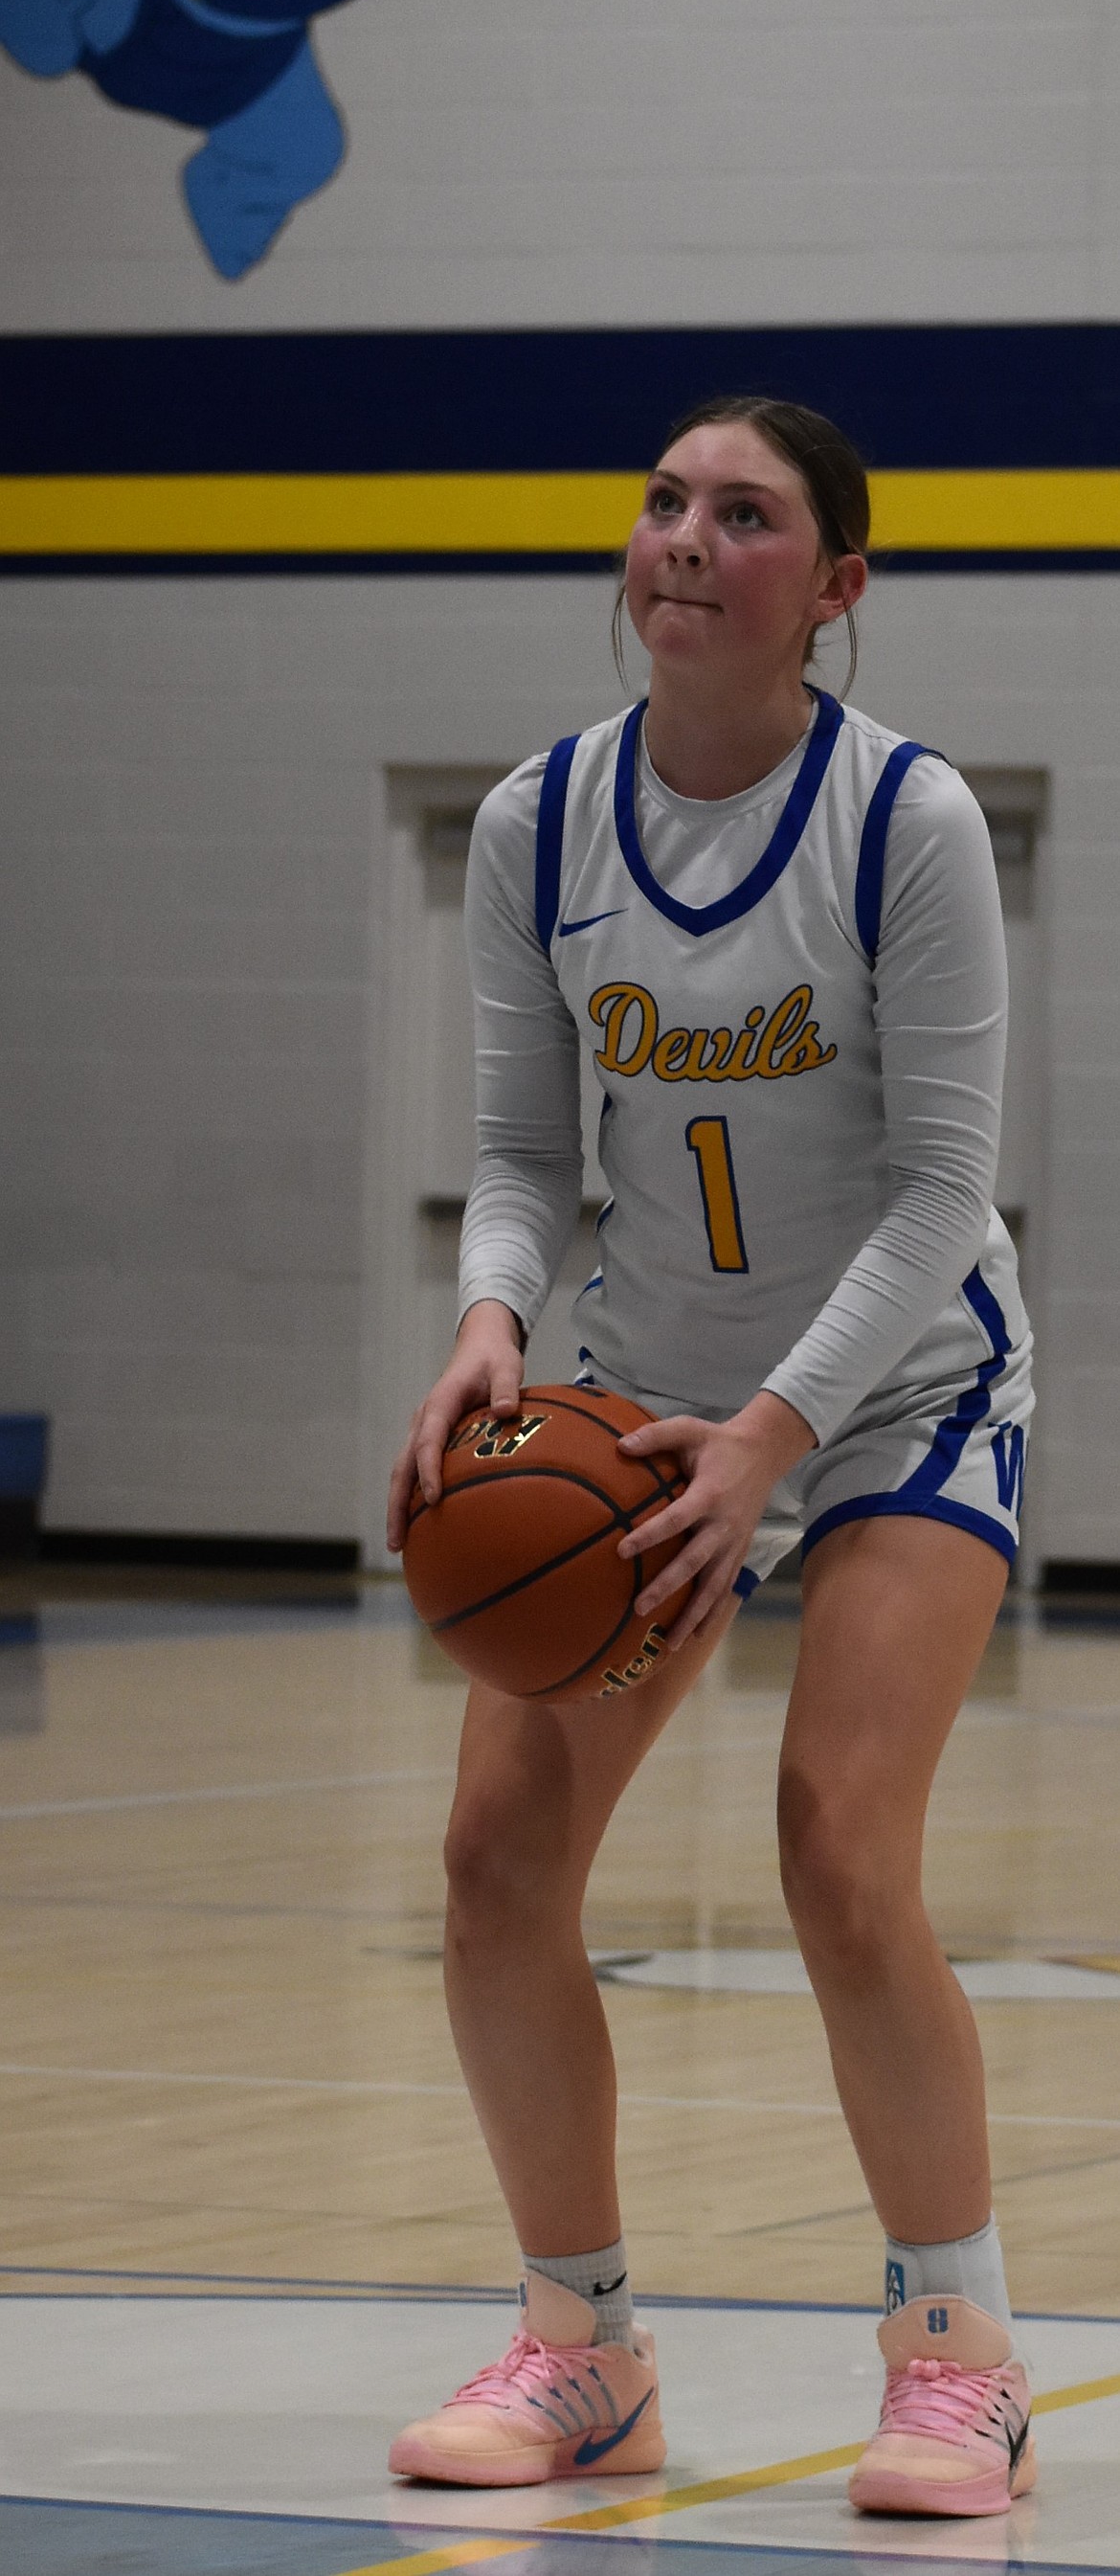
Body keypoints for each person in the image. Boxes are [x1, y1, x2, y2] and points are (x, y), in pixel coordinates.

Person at [385, 397, 1036, 2515]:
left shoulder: (901, 820)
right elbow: (512, 1157)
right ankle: (584, 2351)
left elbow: (946, 1188)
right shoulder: (534, 821)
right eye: (664, 502)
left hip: (898, 1391)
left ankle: (957, 2355)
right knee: (494, 1872)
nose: (683, 538)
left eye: (745, 516)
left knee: (841, 1856)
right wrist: (493, 1312)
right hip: (645, 1392)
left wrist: (775, 1437)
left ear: (834, 588)